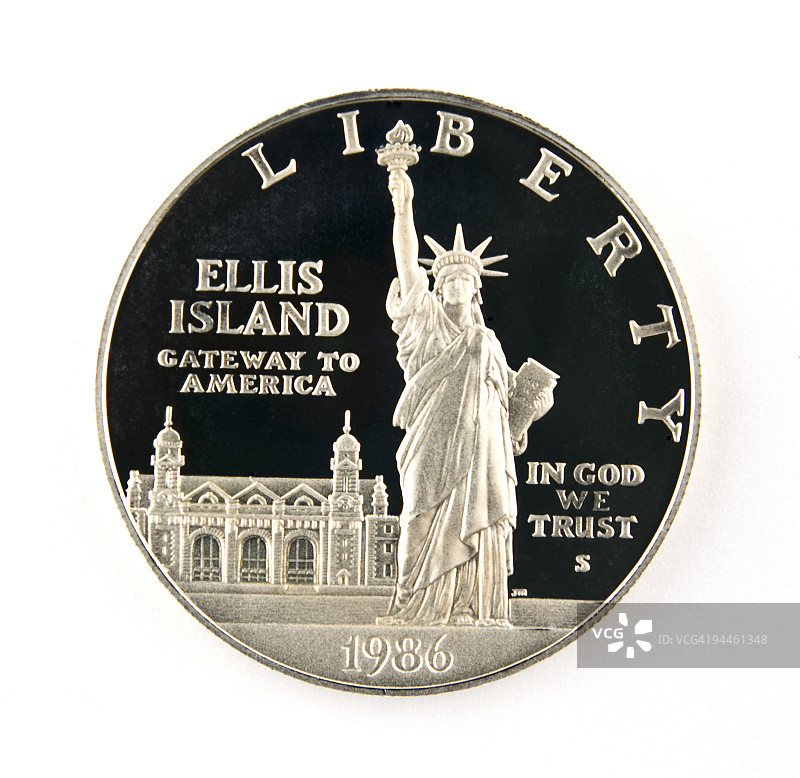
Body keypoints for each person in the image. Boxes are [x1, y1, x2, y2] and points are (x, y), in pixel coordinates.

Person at [378, 168, 553, 627]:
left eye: (465, 279)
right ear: (438, 288)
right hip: (431, 441)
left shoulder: (489, 344)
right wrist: (402, 207)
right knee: (417, 517)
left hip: (483, 454)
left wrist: (531, 412)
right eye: (449, 279)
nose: (457, 285)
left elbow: (508, 407)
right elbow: (407, 264)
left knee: (480, 517)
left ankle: (470, 607)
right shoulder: (425, 323)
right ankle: (411, 604)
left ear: (477, 289)